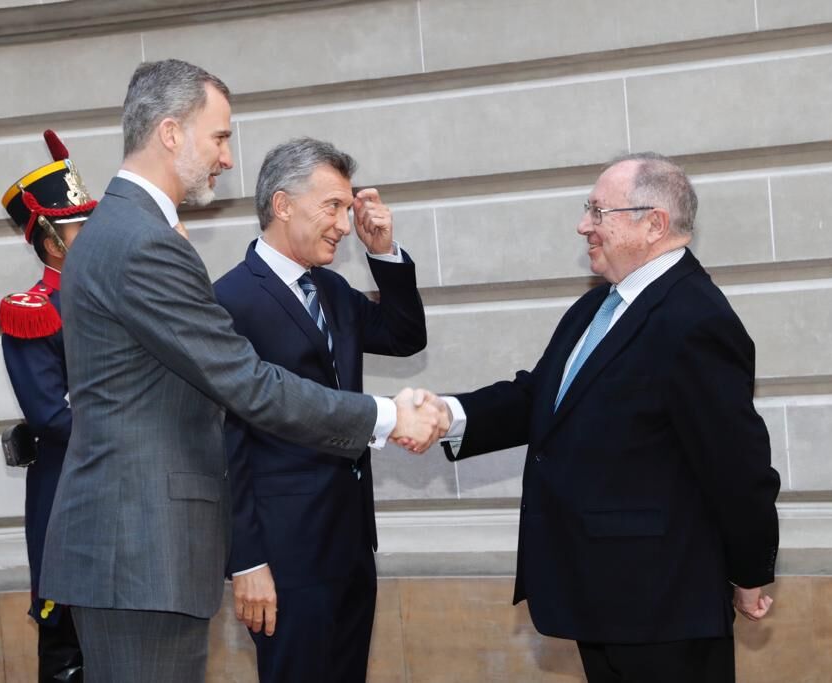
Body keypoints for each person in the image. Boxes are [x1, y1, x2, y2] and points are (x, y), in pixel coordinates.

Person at [38, 59, 444, 683]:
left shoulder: (128, 230)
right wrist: (388, 416)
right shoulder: (141, 241)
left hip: (143, 551)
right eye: (220, 136)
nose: (228, 160)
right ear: (171, 133)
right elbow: (246, 385)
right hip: (140, 549)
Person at [421, 153, 781, 683]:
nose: (583, 225)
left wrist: (749, 570)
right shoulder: (598, 307)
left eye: (598, 211)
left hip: (664, 606)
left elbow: (736, 466)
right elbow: (538, 397)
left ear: (653, 222)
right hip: (603, 594)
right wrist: (444, 414)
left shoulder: (695, 319)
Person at [213, 138, 427, 683]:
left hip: (351, 541)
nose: (343, 222)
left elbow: (405, 335)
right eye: (333, 206)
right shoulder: (229, 301)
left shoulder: (332, 289)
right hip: (284, 556)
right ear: (283, 205)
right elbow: (224, 441)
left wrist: (383, 252)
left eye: (347, 208)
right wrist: (246, 560)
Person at [0, 129, 94, 683]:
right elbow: (52, 415)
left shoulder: (114, 294)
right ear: (52, 239)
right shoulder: (31, 310)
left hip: (124, 494)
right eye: (82, 223)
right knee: (71, 653)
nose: (94, 231)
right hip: (69, 499)